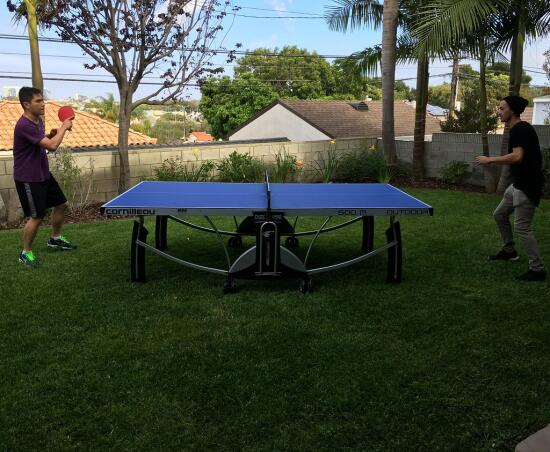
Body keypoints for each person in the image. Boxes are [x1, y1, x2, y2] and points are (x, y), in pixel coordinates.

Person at [476, 95, 545, 281]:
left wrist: (490, 159)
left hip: (527, 186)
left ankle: (537, 269)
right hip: (518, 184)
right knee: (499, 214)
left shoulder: (520, 129)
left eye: (502, 108)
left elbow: (517, 157)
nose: (498, 111)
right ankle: (509, 250)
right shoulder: (518, 129)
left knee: (522, 227)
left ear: (512, 110)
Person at [13, 86, 77, 268]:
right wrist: (64, 126)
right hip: (28, 178)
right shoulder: (24, 124)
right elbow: (52, 147)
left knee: (62, 204)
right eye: (38, 101)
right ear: (26, 104)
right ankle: (25, 253)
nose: (43, 104)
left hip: (42, 173)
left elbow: (41, 142)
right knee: (37, 216)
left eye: (43, 100)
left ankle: (55, 238)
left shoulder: (37, 121)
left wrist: (49, 135)